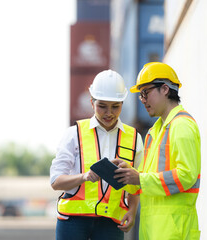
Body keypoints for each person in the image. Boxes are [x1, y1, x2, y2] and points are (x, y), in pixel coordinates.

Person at [50, 69, 144, 240]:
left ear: (123, 103)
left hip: (110, 223)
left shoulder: (134, 138)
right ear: (92, 102)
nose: (109, 113)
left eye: (115, 106)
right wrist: (84, 177)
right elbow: (56, 182)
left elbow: (138, 183)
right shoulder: (73, 134)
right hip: (73, 222)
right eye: (102, 106)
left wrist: (132, 210)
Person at [113, 62, 201, 239]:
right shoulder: (155, 131)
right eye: (140, 95)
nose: (143, 100)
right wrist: (129, 174)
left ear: (165, 89)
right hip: (154, 228)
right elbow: (148, 177)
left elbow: (186, 175)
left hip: (174, 229)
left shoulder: (182, 126)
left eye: (145, 93)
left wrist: (140, 178)